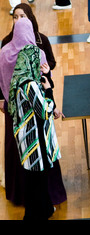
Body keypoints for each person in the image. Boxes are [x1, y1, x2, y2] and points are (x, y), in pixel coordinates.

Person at [0, 18, 66, 207]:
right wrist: (49, 88)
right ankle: (44, 204)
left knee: (23, 164)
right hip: (37, 126)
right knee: (41, 169)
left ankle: (23, 198)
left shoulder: (4, 54)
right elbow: (44, 106)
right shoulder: (35, 60)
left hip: (16, 117)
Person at [9, 43, 63, 220]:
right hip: (36, 142)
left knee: (36, 181)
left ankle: (46, 209)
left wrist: (46, 77)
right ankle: (35, 215)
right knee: (38, 182)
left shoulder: (18, 80)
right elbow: (44, 110)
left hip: (27, 140)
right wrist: (49, 91)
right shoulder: (29, 84)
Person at [2, 3, 57, 73]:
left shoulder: (42, 39)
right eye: (15, 17)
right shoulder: (6, 41)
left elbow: (52, 63)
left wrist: (41, 66)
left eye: (22, 16)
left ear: (30, 18)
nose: (19, 20)